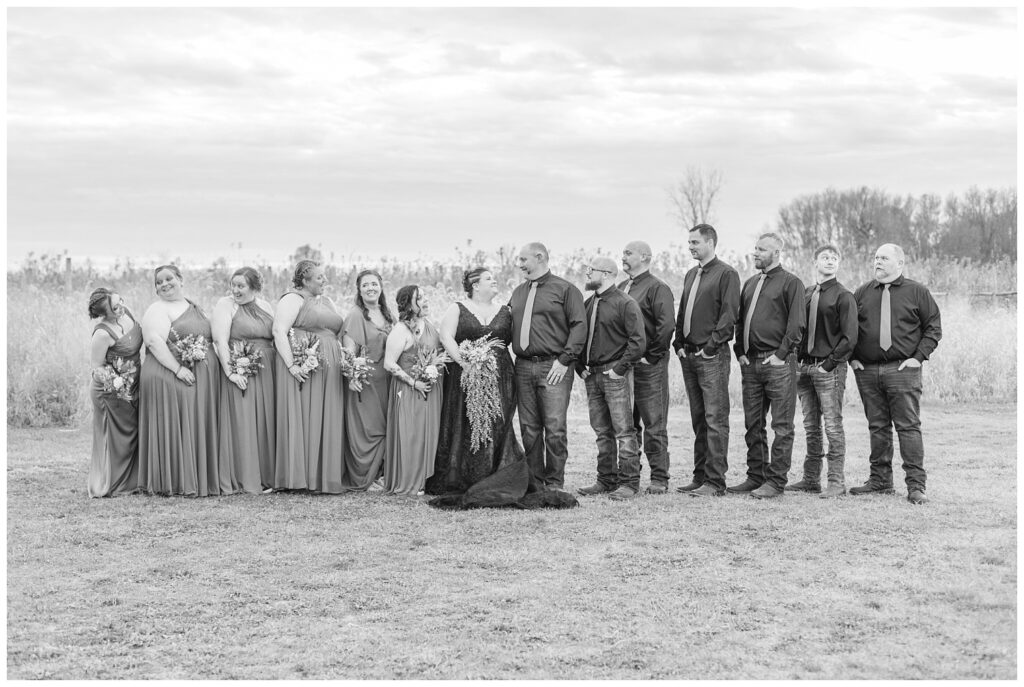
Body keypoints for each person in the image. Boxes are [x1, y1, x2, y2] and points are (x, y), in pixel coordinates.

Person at [849, 243, 941, 505]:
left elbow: (933, 327)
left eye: (884, 258)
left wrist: (917, 358)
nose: (877, 261)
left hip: (903, 369)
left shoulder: (917, 292)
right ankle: (880, 480)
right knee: (877, 427)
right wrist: (853, 359)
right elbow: (849, 328)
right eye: (876, 257)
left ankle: (916, 486)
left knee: (908, 427)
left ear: (900, 263)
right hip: (867, 371)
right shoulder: (862, 293)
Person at [426, 267, 525, 495]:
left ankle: (496, 472)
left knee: (498, 421)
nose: (495, 281)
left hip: (500, 376)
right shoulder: (458, 308)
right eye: (489, 278)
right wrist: (465, 362)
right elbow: (446, 336)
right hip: (465, 376)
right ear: (475, 285)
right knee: (466, 420)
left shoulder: (506, 311)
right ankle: (463, 474)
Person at [730, 233, 805, 499]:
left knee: (782, 425)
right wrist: (739, 351)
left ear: (776, 253)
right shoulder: (750, 283)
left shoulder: (791, 283)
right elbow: (740, 321)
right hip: (750, 363)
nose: (756, 253)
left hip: (778, 362)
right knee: (753, 424)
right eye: (755, 248)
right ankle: (755, 476)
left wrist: (781, 355)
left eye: (762, 249)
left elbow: (796, 324)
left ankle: (776, 481)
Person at [508, 242, 587, 492]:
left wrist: (565, 361)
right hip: (522, 367)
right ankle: (534, 481)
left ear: (539, 257)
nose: (519, 264)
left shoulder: (565, 289)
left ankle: (554, 483)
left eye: (523, 259)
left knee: (554, 428)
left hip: (553, 366)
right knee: (529, 428)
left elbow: (579, 326)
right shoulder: (518, 292)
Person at [138, 264, 221, 496]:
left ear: (181, 279)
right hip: (168, 375)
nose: (164, 284)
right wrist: (177, 369)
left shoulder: (193, 306)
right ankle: (174, 480)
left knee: (192, 424)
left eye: (169, 279)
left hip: (195, 378)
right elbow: (154, 342)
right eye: (159, 282)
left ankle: (194, 476)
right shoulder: (157, 309)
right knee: (176, 424)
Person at [671, 224, 741, 497]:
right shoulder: (691, 274)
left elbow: (729, 315)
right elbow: (683, 310)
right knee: (699, 419)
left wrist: (711, 347)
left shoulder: (727, 274)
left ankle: (715, 482)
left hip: (711, 356)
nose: (690, 246)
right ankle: (699, 476)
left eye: (695, 242)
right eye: (689, 242)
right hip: (688, 355)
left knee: (715, 419)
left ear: (710, 242)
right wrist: (677, 342)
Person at [787, 245, 857, 499]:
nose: (830, 261)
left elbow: (850, 338)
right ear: (814, 262)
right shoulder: (805, 293)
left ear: (839, 264)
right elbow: (796, 328)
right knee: (810, 426)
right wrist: (796, 361)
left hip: (829, 368)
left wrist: (828, 364)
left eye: (834, 258)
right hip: (803, 367)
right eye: (825, 257)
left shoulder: (843, 296)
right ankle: (810, 479)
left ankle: (836, 482)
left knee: (832, 426)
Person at [272, 260, 347, 493]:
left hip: (329, 368)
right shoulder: (292, 300)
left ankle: (323, 476)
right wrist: (293, 365)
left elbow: (337, 331)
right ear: (304, 281)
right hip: (304, 367)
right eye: (319, 278)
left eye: (324, 276)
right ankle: (300, 477)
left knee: (326, 417)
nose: (325, 281)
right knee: (305, 418)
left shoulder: (327, 301)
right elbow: (279, 331)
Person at [575, 257, 646, 500]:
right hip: (591, 375)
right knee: (602, 432)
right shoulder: (588, 304)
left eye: (590, 270)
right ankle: (605, 480)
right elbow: (578, 337)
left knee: (624, 432)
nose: (586, 274)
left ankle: (629, 483)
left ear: (605, 274)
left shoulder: (625, 303)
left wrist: (619, 370)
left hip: (616, 376)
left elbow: (638, 343)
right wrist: (578, 367)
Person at [212, 267, 276, 494]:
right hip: (242, 369)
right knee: (244, 420)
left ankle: (267, 475)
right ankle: (243, 476)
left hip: (268, 371)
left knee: (265, 422)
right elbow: (220, 341)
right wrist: (231, 372)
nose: (235, 290)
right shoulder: (226, 305)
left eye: (241, 286)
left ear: (255, 288)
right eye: (233, 284)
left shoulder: (266, 306)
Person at [618, 241, 676, 494]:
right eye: (623, 253)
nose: (623, 257)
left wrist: (650, 357)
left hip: (649, 367)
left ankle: (659, 479)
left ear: (645, 257)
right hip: (624, 367)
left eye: (628, 253)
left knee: (654, 424)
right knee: (627, 425)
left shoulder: (657, 288)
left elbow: (666, 326)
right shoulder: (620, 288)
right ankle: (629, 477)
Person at [382, 285, 444, 495]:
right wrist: (413, 382)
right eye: (419, 299)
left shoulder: (428, 325)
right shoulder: (401, 330)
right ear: (408, 304)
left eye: (425, 297)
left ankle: (427, 480)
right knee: (412, 434)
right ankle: (410, 480)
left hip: (431, 389)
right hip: (409, 389)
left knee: (429, 433)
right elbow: (389, 364)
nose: (425, 301)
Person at [341, 269, 395, 491]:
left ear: (381, 286)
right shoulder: (356, 315)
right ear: (359, 290)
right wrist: (352, 376)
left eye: (374, 284)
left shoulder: (388, 313)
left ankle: (383, 473)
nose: (370, 288)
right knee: (368, 428)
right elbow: (348, 352)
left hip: (388, 381)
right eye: (365, 285)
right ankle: (366, 476)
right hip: (366, 382)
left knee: (386, 426)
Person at [87, 288, 143, 497]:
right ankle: (111, 483)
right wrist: (116, 382)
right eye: (115, 308)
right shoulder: (102, 333)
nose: (121, 308)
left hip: (134, 382)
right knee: (114, 437)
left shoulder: (126, 313)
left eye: (120, 302)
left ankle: (133, 479)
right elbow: (96, 366)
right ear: (105, 313)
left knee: (133, 431)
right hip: (111, 391)